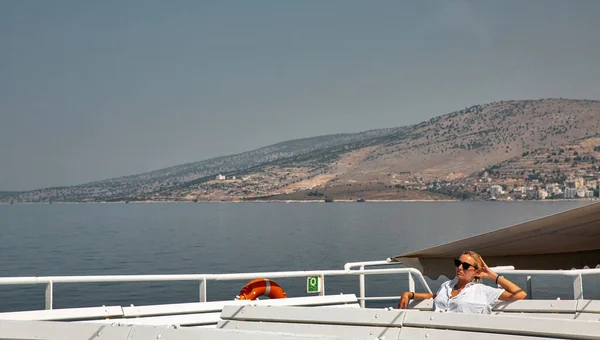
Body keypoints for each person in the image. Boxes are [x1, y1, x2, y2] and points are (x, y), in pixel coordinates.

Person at [398, 250, 527, 314]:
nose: (460, 267)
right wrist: (410, 295)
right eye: (458, 263)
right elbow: (435, 297)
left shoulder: (481, 291)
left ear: (476, 272)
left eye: (465, 266)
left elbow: (520, 294)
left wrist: (492, 276)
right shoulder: (447, 286)